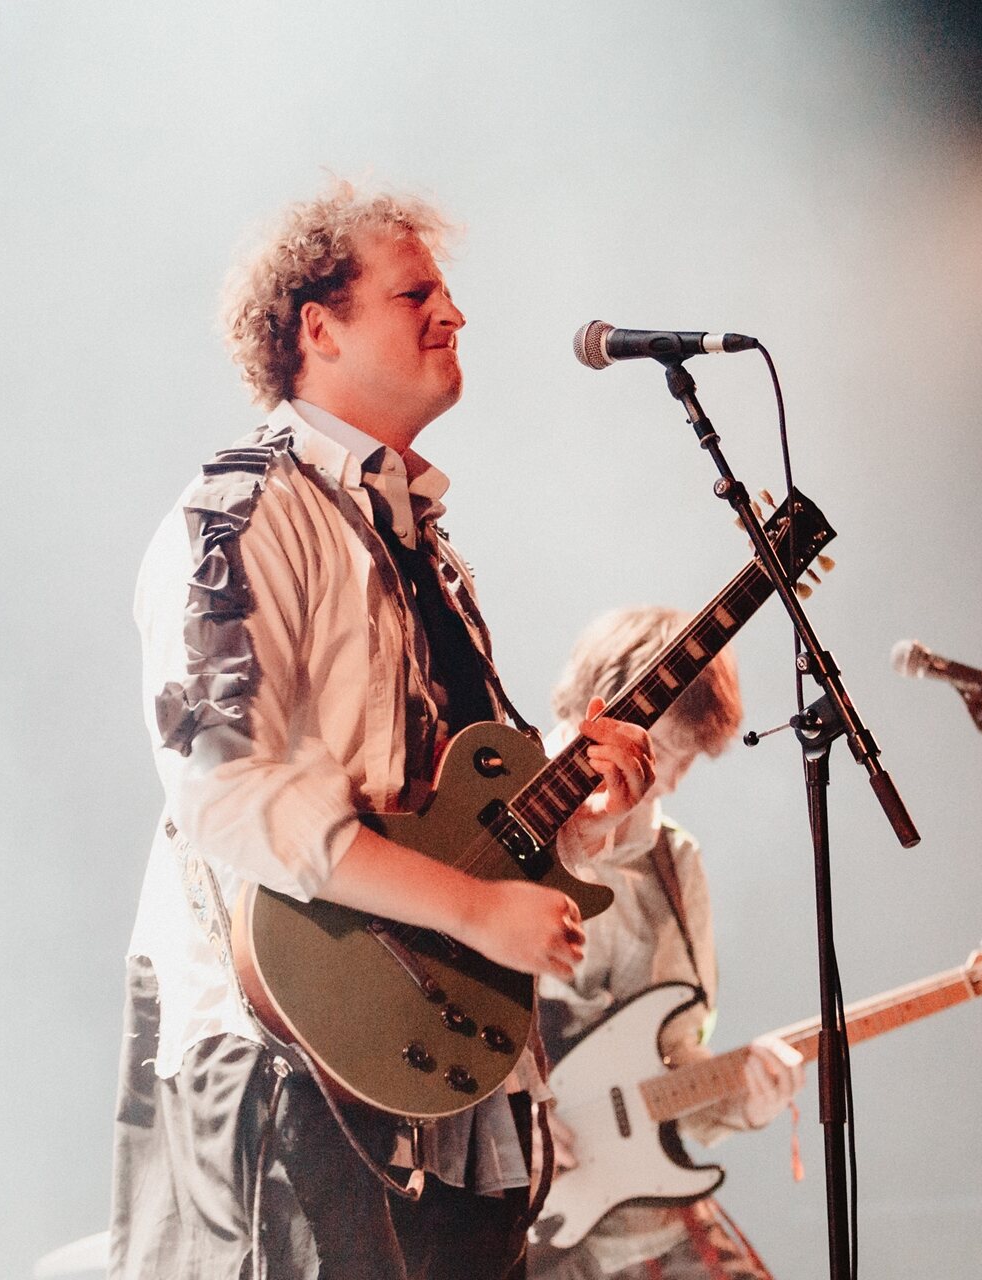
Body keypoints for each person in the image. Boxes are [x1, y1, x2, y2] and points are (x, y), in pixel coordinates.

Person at [109, 181, 656, 1280]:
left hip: (436, 1060)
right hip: (287, 1054)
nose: (454, 314)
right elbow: (225, 790)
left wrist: (582, 816)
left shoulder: (418, 541)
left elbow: (445, 810)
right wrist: (474, 909)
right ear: (319, 327)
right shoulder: (243, 514)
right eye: (416, 294)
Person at [532, 606, 806, 1280]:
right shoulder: (493, 810)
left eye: (689, 761)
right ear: (605, 715)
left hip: (642, 1216)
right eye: (666, 752)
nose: (675, 781)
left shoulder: (675, 864)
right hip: (503, 1208)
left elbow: (675, 1054)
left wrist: (743, 1102)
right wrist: (504, 1109)